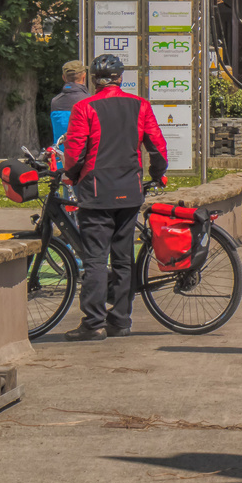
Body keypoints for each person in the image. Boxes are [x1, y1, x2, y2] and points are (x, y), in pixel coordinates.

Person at [62, 54, 168, 340]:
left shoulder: (85, 107)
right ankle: (121, 321)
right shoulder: (139, 105)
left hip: (96, 192)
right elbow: (157, 145)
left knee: (96, 258)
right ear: (121, 77)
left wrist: (70, 175)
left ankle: (93, 322)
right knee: (123, 258)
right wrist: (158, 173)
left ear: (94, 80)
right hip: (129, 191)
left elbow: (74, 151)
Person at [50, 60, 89, 151]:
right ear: (84, 76)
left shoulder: (55, 102)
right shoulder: (89, 101)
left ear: (64, 77)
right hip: (82, 158)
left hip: (60, 159)